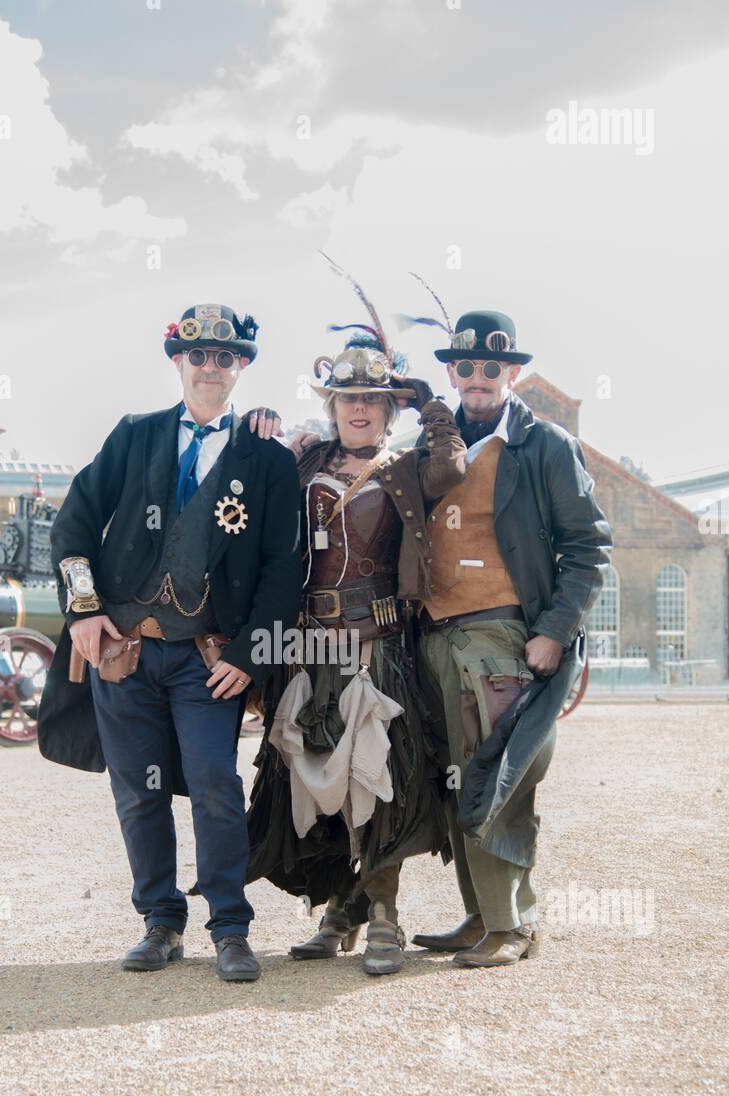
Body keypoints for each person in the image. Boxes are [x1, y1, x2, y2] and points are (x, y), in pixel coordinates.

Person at [38, 303, 302, 982]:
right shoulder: (132, 436)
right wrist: (83, 612)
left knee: (216, 783)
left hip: (209, 659)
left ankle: (229, 928)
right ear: (178, 362)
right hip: (122, 655)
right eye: (198, 355)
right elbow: (72, 529)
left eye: (225, 357)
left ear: (241, 366)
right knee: (137, 790)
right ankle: (160, 922)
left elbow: (284, 570)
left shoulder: (268, 459)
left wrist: (251, 654)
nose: (210, 367)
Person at [247, 331, 466, 975]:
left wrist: (433, 407)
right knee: (318, 778)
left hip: (379, 646)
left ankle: (386, 921)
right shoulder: (303, 459)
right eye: (348, 398)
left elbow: (452, 467)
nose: (359, 409)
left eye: (373, 398)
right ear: (332, 405)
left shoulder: (406, 466)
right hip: (309, 646)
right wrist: (256, 427)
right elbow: (250, 489)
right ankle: (342, 908)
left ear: (389, 407)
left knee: (379, 779)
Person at [409, 309, 612, 966]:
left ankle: (512, 927)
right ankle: (480, 917)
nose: (476, 378)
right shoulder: (428, 446)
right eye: (464, 367)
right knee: (454, 780)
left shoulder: (545, 445)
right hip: (433, 636)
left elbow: (586, 547)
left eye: (490, 367)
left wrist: (554, 632)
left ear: (511, 372)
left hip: (502, 635)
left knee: (497, 776)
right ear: (450, 371)